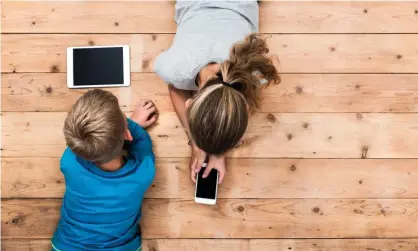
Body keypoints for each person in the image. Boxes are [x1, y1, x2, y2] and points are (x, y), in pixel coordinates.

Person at [154, 1, 280, 184]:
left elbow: (175, 87)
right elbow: (175, 86)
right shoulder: (175, 68)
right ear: (189, 104)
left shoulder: (254, 73)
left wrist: (208, 148)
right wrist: (199, 144)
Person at [52, 89, 158, 251]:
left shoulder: (69, 162)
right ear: (127, 135)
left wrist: (120, 126)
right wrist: (129, 125)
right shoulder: (144, 172)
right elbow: (141, 140)